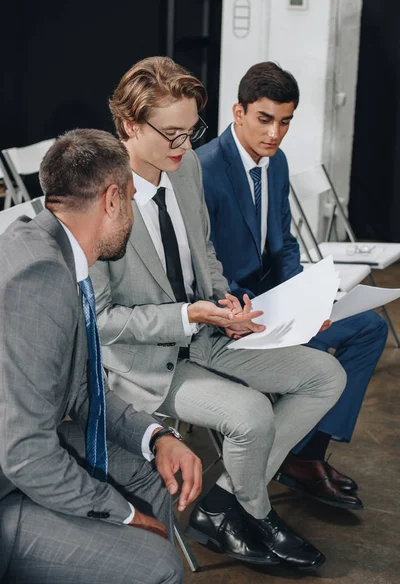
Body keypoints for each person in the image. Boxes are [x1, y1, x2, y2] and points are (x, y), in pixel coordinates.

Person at [89, 56, 347, 572]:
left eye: (192, 131)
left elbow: (203, 253)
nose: (186, 147)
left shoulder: (184, 174)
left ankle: (221, 504)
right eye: (172, 134)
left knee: (325, 375)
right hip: (145, 362)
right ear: (128, 127)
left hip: (210, 333)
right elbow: (100, 320)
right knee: (251, 414)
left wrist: (227, 302)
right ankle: (257, 510)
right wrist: (189, 316)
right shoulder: (99, 199)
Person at [0, 129, 204, 584]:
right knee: (160, 565)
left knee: (155, 477)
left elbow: (78, 391)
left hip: (26, 446)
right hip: (10, 478)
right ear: (113, 199)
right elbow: (25, 454)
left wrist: (156, 437)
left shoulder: (51, 248)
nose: (132, 212)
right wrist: (124, 515)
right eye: (132, 200)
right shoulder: (39, 278)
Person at [197, 61, 388, 512]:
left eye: (285, 122)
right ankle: (294, 461)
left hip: (276, 302)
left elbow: (283, 242)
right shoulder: (203, 170)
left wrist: (306, 297)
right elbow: (198, 266)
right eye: (265, 119)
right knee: (318, 360)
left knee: (370, 329)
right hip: (234, 315)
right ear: (238, 111)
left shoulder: (275, 162)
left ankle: (304, 456)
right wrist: (237, 312)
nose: (275, 134)